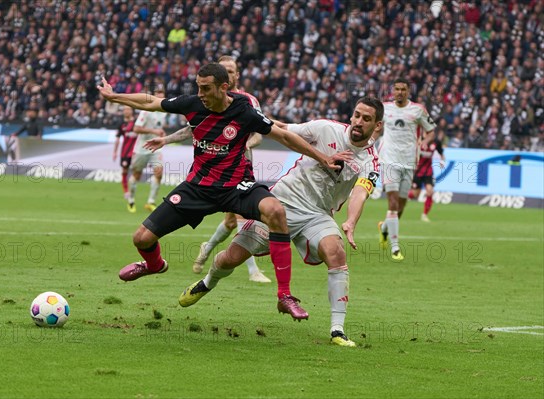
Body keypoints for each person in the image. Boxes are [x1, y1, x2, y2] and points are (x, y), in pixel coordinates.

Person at [97, 62, 342, 320]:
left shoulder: (244, 110)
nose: (200, 93)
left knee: (275, 211)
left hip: (236, 186)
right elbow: (152, 102)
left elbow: (282, 136)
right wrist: (115, 96)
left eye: (206, 88)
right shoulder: (191, 104)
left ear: (224, 87)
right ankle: (154, 266)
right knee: (141, 239)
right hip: (198, 187)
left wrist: (322, 157)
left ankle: (284, 296)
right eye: (198, 87)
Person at [178, 96, 384, 347]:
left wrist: (351, 221)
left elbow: (361, 192)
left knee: (336, 252)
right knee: (231, 257)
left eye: (366, 119)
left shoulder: (371, 162)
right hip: (281, 204)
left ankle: (337, 330)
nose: (358, 122)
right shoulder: (325, 128)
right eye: (357, 115)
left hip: (317, 215)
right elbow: (284, 129)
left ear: (377, 126)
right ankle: (206, 283)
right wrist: (254, 119)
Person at [148, 56, 271, 283]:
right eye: (225, 70)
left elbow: (259, 133)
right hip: (213, 171)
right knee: (237, 219)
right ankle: (251, 269)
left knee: (233, 221)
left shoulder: (248, 101)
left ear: (236, 76)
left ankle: (208, 248)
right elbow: (192, 129)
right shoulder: (204, 101)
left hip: (240, 168)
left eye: (232, 71)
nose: (229, 73)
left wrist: (243, 144)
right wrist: (166, 139)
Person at [374, 78, 436, 260]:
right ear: (393, 91)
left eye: (403, 89)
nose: (399, 92)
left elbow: (431, 130)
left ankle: (384, 228)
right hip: (389, 160)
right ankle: (395, 248)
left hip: (409, 161)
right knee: (392, 203)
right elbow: (377, 128)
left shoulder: (418, 110)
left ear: (408, 91)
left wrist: (423, 142)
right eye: (397, 89)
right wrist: (370, 140)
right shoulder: (385, 108)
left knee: (401, 206)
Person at [129, 86, 167, 212]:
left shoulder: (164, 112)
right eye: (158, 93)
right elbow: (136, 129)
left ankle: (150, 202)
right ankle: (131, 200)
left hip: (155, 148)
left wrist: (161, 134)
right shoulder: (146, 111)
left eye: (162, 93)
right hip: (142, 148)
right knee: (137, 174)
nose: (160, 96)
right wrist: (154, 131)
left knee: (159, 172)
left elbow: (159, 127)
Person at [408, 130, 445, 222]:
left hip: (428, 172)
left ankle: (424, 215)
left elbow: (441, 154)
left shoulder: (436, 142)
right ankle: (403, 196)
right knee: (415, 194)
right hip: (418, 171)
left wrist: (442, 161)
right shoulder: (418, 140)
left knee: (430, 191)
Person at [112, 106, 138, 212]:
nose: (126, 111)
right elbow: (117, 139)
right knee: (125, 171)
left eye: (128, 109)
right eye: (124, 110)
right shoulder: (121, 124)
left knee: (136, 172)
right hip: (125, 153)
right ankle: (126, 192)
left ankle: (131, 193)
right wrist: (115, 152)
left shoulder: (137, 123)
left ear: (132, 111)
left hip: (136, 153)